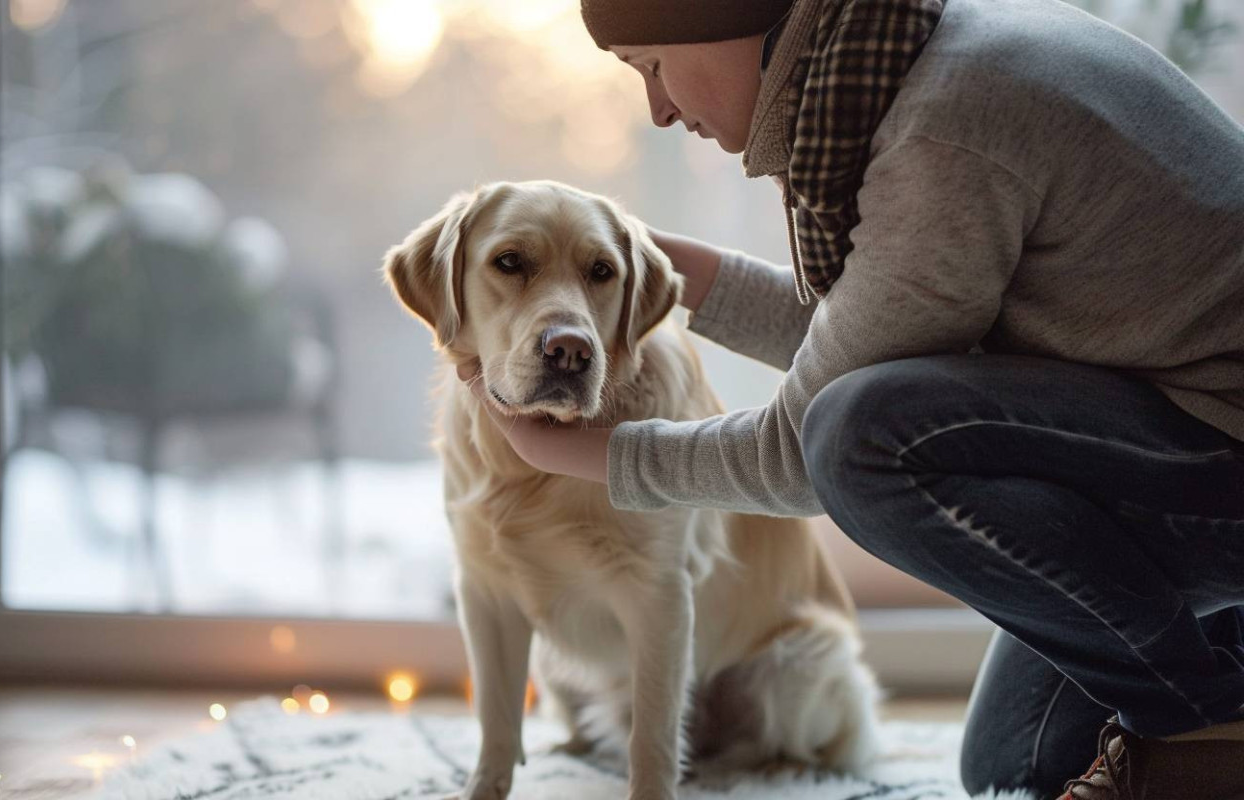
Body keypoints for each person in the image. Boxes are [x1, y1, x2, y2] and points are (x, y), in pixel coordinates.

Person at [458, 0, 1244, 797]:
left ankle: (1202, 725)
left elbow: (802, 454)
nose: (658, 109)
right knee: (1016, 765)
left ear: (721, 18)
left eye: (651, 67)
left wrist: (578, 451)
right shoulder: (914, 60)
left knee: (858, 438)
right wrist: (659, 268)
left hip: (1223, 451)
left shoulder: (948, 127)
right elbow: (878, 331)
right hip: (1173, 430)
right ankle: (1225, 639)